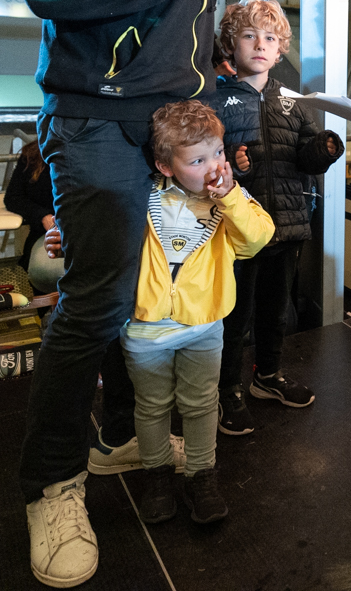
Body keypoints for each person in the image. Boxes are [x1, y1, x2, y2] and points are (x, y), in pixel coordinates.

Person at [16, 0, 246, 588]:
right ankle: (50, 484)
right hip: (95, 118)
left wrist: (210, 119)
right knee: (100, 298)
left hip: (170, 119)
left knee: (154, 285)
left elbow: (178, 22)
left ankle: (117, 434)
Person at [121, 100, 273, 524]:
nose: (214, 166)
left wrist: (232, 198)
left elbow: (259, 238)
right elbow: (108, 240)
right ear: (166, 166)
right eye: (199, 159)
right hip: (146, 327)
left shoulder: (229, 202)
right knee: (151, 406)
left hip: (204, 323)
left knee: (202, 403)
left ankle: (201, 474)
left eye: (219, 153)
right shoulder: (143, 198)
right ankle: (155, 475)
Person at [210, 0, 344, 436]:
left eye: (270, 38)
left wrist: (323, 149)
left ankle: (266, 378)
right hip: (237, 232)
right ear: (232, 44)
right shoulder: (216, 99)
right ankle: (227, 390)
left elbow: (305, 159)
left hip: (287, 224)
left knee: (275, 312)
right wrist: (233, 159)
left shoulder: (294, 102)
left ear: (281, 48)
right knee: (235, 316)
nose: (260, 44)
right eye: (249, 36)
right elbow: (205, 157)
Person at [3, 139, 64, 295]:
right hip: (46, 233)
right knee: (46, 271)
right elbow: (13, 197)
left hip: (85, 230)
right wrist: (42, 215)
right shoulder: (33, 155)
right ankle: (49, 314)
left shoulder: (92, 152)